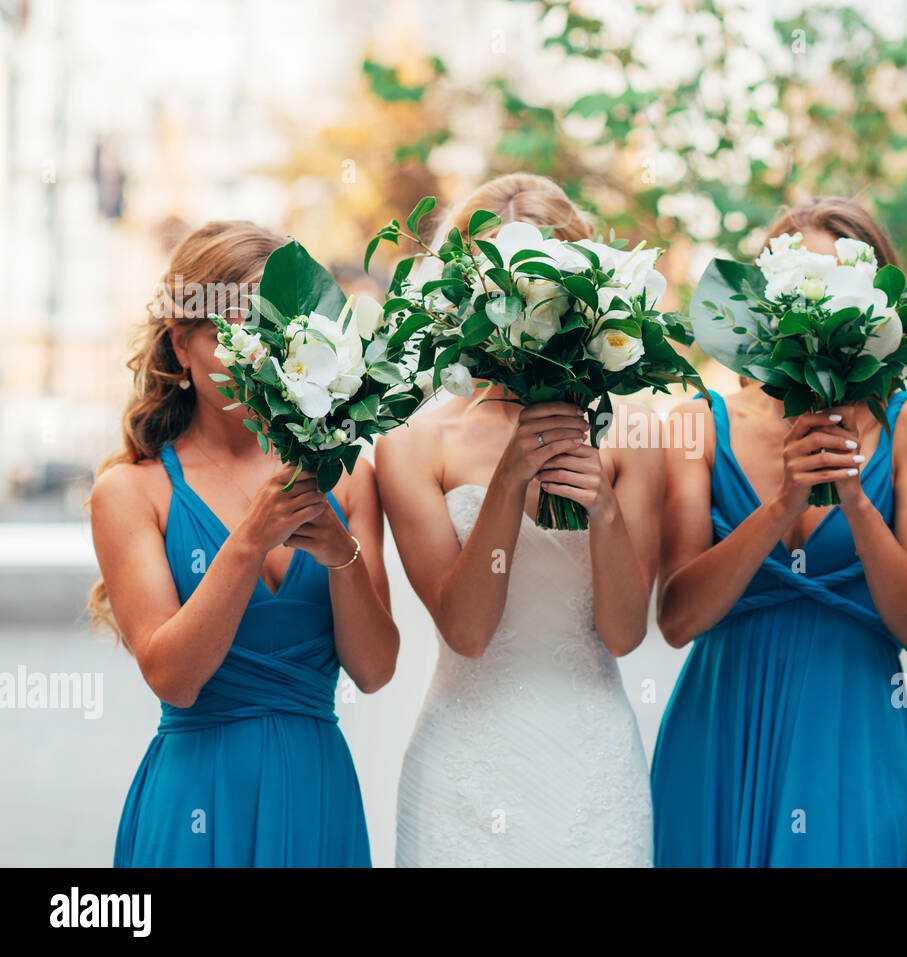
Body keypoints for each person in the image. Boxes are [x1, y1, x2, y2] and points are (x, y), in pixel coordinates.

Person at [651, 198, 907, 866]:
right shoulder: (698, 423)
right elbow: (676, 620)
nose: (821, 306)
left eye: (840, 284)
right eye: (803, 285)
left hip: (854, 727)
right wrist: (783, 502)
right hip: (722, 728)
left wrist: (856, 498)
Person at [89, 221, 398, 866]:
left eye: (270, 330)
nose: (253, 351)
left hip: (318, 795)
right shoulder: (131, 493)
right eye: (225, 332)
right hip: (198, 798)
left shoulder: (348, 476)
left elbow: (374, 671)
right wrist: (249, 542)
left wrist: (343, 556)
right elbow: (173, 678)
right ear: (181, 347)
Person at [380, 174, 660, 866]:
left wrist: (604, 510)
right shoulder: (413, 445)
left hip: (592, 767)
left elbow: (625, 633)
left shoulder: (636, 434)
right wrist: (508, 481)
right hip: (465, 772)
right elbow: (468, 632)